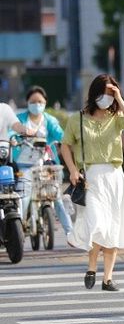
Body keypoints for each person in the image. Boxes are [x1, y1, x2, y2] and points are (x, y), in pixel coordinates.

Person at [61, 74, 124, 291]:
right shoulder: (77, 119)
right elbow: (65, 146)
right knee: (97, 223)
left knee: (113, 227)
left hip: (115, 176)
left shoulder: (116, 117)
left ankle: (107, 278)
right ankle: (91, 268)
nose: (106, 98)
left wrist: (119, 97)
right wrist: (71, 170)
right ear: (93, 94)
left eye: (110, 94)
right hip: (91, 177)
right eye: (104, 93)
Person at [12, 86, 73, 235]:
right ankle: (18, 229)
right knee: (24, 196)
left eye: (40, 101)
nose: (37, 105)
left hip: (46, 164)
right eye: (33, 101)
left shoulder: (50, 120)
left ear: (45, 102)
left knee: (56, 196)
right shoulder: (20, 119)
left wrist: (68, 141)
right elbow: (11, 131)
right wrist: (13, 138)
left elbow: (61, 135)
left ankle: (70, 233)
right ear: (27, 103)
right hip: (23, 165)